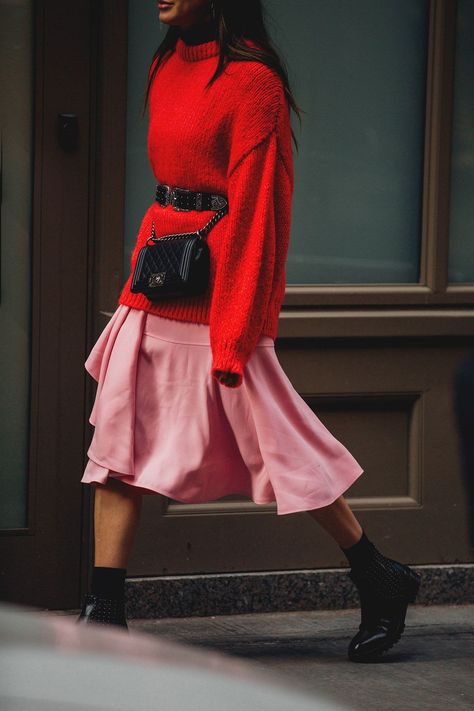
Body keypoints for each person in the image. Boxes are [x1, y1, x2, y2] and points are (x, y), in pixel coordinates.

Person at [78, 0, 421, 662]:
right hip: (158, 286)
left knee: (285, 450)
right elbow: (168, 190)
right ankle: (105, 610)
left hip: (220, 301)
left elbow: (259, 215)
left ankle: (377, 576)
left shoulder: (253, 82)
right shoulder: (165, 63)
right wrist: (139, 283)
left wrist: (235, 335)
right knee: (116, 444)